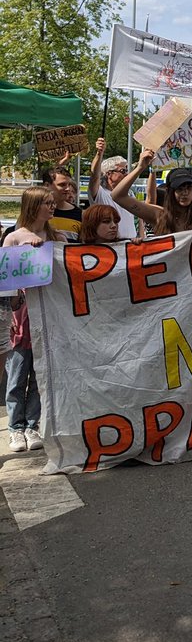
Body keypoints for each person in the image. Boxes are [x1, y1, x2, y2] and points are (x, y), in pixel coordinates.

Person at [3, 188, 62, 452]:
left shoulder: (56, 237)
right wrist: (9, 316)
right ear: (33, 206)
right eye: (46, 204)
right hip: (21, 315)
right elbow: (5, 282)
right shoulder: (14, 238)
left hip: (48, 315)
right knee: (17, 375)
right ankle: (15, 428)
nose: (52, 207)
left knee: (40, 373)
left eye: (52, 203)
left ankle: (32, 424)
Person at [110, 150, 192, 234]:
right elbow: (117, 196)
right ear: (170, 192)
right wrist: (140, 167)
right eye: (180, 189)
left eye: (189, 188)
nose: (185, 192)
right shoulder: (159, 215)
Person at [88, 138, 138, 239]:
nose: (127, 174)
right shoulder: (100, 193)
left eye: (127, 170)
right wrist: (99, 153)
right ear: (109, 174)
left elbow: (137, 219)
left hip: (130, 246)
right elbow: (94, 176)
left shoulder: (130, 194)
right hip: (111, 246)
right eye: (123, 171)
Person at [42, 164, 83, 238]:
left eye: (69, 184)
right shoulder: (34, 212)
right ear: (47, 185)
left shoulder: (80, 215)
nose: (68, 189)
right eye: (62, 185)